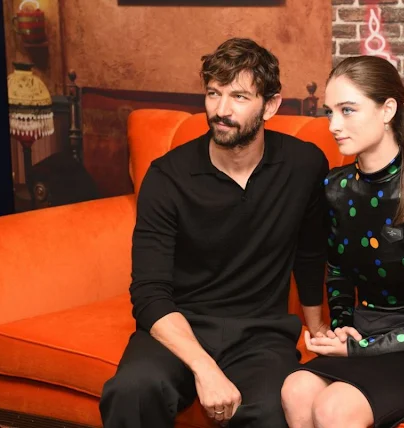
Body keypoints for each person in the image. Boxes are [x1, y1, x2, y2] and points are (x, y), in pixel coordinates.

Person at [99, 38, 330, 428]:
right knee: (131, 391)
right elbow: (149, 294)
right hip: (179, 326)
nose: (221, 110)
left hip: (261, 334)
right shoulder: (167, 177)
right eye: (213, 93)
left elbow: (309, 254)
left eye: (239, 96)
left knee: (274, 412)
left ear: (270, 105)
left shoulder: (303, 165)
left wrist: (317, 327)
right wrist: (205, 368)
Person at [281, 55, 404, 428]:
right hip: (363, 333)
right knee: (295, 389)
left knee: (334, 408)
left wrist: (361, 348)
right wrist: (342, 326)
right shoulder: (335, 188)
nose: (334, 125)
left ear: (387, 110)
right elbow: (338, 269)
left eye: (347, 110)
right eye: (330, 112)